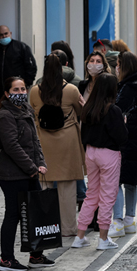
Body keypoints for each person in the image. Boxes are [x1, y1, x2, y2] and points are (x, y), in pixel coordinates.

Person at [0, 77, 54, 271]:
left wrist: (41, 163)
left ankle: (36, 255)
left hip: (29, 172)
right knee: (13, 214)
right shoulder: (4, 116)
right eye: (16, 89)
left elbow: (35, 141)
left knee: (34, 212)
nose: (21, 92)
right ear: (6, 93)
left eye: (23, 89)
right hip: (12, 175)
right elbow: (11, 146)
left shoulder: (27, 110)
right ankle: (6, 259)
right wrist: (32, 167)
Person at [29, 54, 86, 237]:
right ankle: (68, 228)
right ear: (62, 69)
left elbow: (31, 114)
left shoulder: (34, 91)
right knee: (68, 188)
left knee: (44, 185)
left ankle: (45, 227)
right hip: (67, 142)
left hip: (43, 141)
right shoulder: (71, 90)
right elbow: (80, 114)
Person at [72, 73, 128, 251]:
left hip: (91, 152)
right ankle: (103, 238)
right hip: (108, 154)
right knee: (107, 196)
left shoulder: (88, 108)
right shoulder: (113, 110)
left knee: (91, 194)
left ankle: (80, 236)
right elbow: (122, 137)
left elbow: (83, 133)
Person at [108, 52, 137, 238]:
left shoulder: (126, 88)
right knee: (131, 181)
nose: (116, 67)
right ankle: (130, 220)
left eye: (118, 64)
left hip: (125, 139)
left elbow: (117, 111)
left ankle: (118, 221)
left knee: (117, 180)